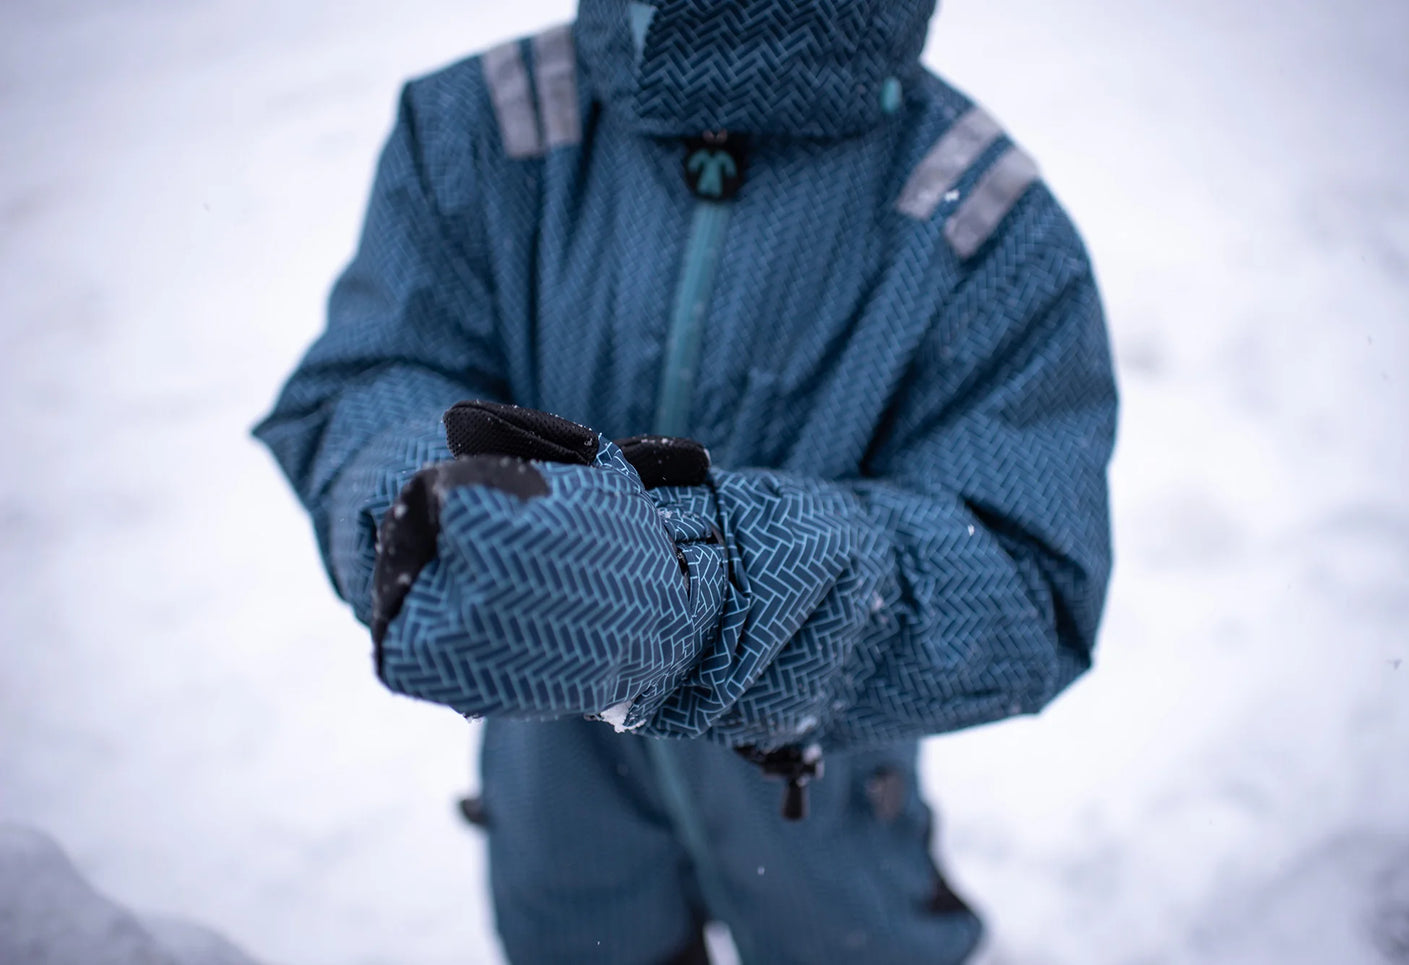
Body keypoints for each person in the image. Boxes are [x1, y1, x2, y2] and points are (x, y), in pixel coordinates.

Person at [254, 1, 1117, 961]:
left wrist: (707, 585)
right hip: (556, 798)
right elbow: (367, 383)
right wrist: (434, 515)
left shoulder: (978, 211)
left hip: (820, 799)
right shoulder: (482, 125)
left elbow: (1024, 574)